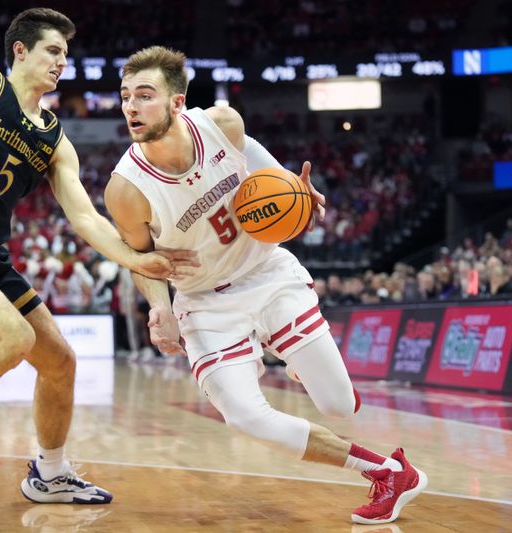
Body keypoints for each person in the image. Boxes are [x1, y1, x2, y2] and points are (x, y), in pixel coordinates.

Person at [0, 4, 198, 505]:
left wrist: (136, 260)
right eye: (52, 50)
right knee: (14, 336)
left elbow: (87, 219)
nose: (61, 62)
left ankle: (49, 475)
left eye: (65, 54)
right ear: (20, 51)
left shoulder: (54, 139)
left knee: (60, 362)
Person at [104, 46, 427, 525]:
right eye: (126, 96)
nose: (131, 106)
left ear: (176, 103)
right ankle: (388, 471)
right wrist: (159, 307)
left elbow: (267, 171)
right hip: (205, 304)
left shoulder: (223, 125)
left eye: (145, 96)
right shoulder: (126, 189)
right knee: (246, 417)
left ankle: (292, 356)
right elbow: (138, 259)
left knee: (338, 405)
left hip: (266, 274)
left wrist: (297, 190)